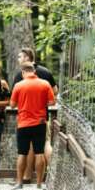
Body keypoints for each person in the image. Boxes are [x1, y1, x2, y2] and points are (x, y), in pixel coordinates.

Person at [11, 48, 57, 182]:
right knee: (44, 145)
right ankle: (51, 177)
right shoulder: (45, 72)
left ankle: (26, 177)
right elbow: (55, 92)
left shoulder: (20, 75)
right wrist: (42, 102)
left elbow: (13, 101)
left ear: (27, 57)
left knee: (26, 150)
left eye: (20, 57)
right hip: (42, 117)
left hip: (24, 118)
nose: (18, 59)